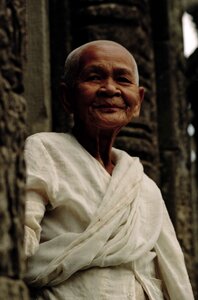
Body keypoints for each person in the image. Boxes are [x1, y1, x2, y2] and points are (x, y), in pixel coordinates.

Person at [24, 40, 194, 300]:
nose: (110, 89)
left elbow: (174, 274)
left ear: (138, 101)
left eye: (123, 80)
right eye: (94, 77)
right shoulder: (46, 150)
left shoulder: (144, 186)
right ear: (68, 97)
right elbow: (19, 236)